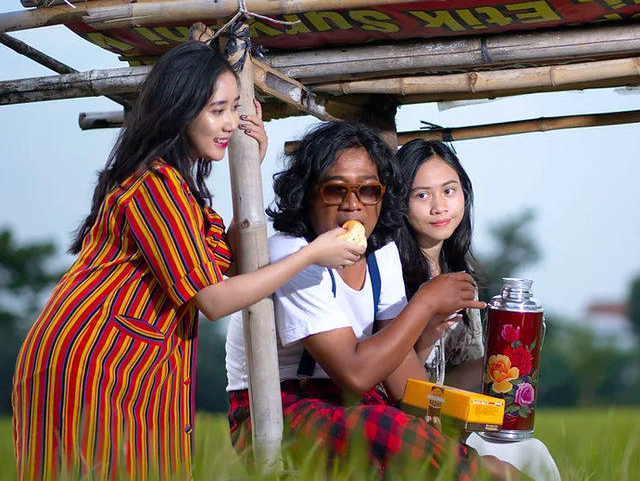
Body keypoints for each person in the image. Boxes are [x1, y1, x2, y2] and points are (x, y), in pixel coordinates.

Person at [11, 41, 365, 481]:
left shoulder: (181, 190)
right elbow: (215, 300)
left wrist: (248, 170)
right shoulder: (156, 185)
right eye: (218, 110)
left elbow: (234, 267)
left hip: (134, 366)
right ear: (179, 111)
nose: (231, 123)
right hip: (95, 364)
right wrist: (313, 253)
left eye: (235, 108)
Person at [225, 121, 530, 480]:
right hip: (283, 405)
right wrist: (426, 303)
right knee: (388, 428)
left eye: (368, 191)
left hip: (357, 403)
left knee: (412, 429)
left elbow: (401, 376)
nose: (353, 205)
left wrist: (439, 413)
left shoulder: (380, 253)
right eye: (335, 191)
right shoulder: (293, 254)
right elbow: (355, 373)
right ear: (308, 194)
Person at [394, 139, 562, 481]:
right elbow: (392, 379)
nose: (440, 207)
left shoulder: (459, 278)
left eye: (449, 191)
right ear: (400, 203)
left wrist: (509, 354)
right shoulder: (388, 272)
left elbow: (453, 380)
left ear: (465, 195)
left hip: (449, 424)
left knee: (531, 450)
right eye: (422, 195)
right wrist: (425, 338)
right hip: (403, 425)